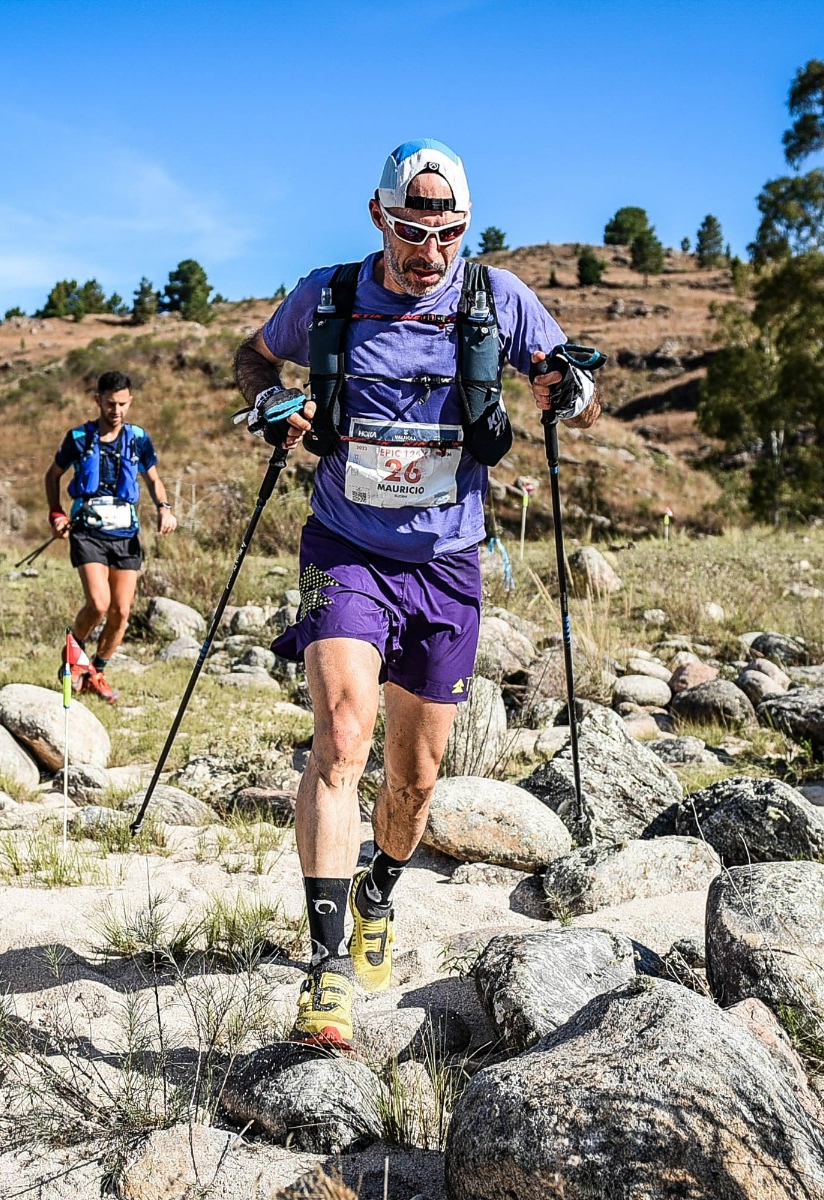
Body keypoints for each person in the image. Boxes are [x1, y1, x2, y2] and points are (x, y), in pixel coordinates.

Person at [233, 138, 600, 1050]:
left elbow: (570, 381)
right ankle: (325, 969)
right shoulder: (328, 295)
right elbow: (252, 359)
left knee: (417, 778)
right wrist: (272, 406)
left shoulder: (494, 297)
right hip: (345, 542)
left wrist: (568, 388)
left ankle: (378, 891)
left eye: (449, 234)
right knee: (340, 737)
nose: (430, 252)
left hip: (447, 563)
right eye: (412, 231)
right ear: (377, 217)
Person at [45, 370, 178, 702]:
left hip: (126, 533)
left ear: (129, 401)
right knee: (99, 604)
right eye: (109, 404)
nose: (115, 411)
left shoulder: (138, 438)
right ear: (98, 401)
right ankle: (72, 657)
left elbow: (153, 480)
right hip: (88, 532)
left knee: (121, 611)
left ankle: (96, 672)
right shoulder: (78, 437)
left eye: (122, 404)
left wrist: (164, 507)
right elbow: (53, 475)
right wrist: (56, 512)